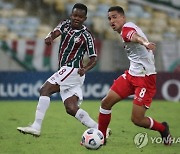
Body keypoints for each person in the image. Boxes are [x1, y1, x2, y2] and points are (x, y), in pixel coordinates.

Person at [17, 3, 109, 137]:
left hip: (73, 69)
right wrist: (50, 37)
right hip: (68, 71)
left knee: (45, 89)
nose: (76, 18)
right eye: (75, 15)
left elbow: (94, 58)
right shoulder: (65, 24)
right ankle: (101, 129)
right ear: (71, 15)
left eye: (80, 16)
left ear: (85, 18)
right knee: (71, 108)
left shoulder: (87, 35)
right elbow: (55, 32)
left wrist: (86, 69)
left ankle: (36, 126)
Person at [98, 6, 172, 145]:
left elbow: (135, 37)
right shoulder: (126, 29)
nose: (111, 21)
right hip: (131, 75)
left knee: (137, 120)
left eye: (114, 17)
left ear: (123, 17)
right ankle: (101, 138)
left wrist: (145, 43)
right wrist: (144, 42)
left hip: (145, 79)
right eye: (109, 18)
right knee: (105, 103)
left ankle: (163, 128)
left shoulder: (127, 29)